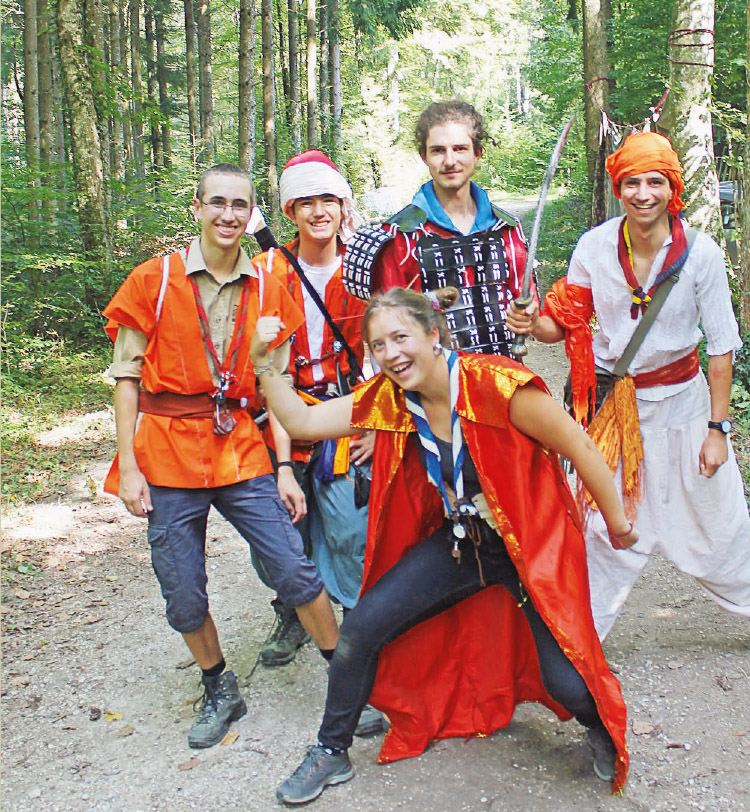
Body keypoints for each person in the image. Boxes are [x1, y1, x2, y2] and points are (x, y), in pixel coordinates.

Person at [250, 288, 639, 805]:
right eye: (378, 344)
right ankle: (330, 748)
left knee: (568, 685)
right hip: (460, 544)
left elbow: (580, 446)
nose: (390, 353)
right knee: (361, 628)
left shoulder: (499, 387)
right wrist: (266, 370)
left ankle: (597, 724)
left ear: (434, 335)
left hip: (522, 551)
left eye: (400, 337)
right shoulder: (390, 396)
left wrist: (617, 522)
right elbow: (302, 423)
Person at [506, 132, 750, 667]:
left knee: (716, 512)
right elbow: (562, 324)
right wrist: (528, 319)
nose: (643, 193)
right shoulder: (595, 247)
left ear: (672, 189)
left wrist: (718, 431)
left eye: (655, 181)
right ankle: (577, 634)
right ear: (618, 189)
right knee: (603, 521)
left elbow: (721, 349)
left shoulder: (701, 255)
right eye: (632, 182)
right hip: (612, 408)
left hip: (684, 404)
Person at [102, 163, 341, 750]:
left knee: (294, 567)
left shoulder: (269, 284)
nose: (229, 215)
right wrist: (127, 464)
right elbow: (126, 377)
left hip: (239, 444)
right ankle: (218, 685)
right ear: (198, 208)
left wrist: (284, 466)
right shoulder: (152, 281)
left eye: (240, 205)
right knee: (181, 588)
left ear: (252, 211)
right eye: (218, 203)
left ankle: (347, 678)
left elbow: (277, 386)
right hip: (165, 452)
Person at [248, 150, 371, 667]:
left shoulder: (366, 265)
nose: (319, 211)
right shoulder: (264, 269)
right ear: (289, 212)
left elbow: (388, 350)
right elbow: (257, 364)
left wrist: (375, 423)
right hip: (278, 412)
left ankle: (358, 624)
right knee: (279, 530)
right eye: (306, 202)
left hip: (346, 410)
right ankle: (292, 610)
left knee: (349, 526)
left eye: (329, 200)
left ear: (344, 206)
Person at [342, 99, 533, 358]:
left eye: (460, 148)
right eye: (438, 150)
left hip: (505, 379)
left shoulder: (507, 231)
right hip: (431, 388)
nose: (450, 160)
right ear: (425, 156)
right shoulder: (402, 239)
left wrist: (528, 318)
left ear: (477, 153)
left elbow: (535, 319)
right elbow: (387, 335)